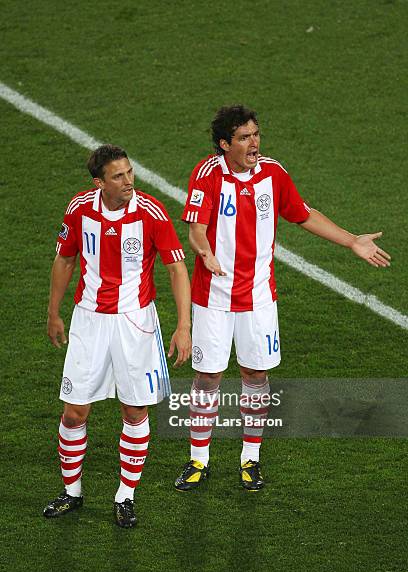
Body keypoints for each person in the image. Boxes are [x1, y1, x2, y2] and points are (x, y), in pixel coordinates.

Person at [175, 105, 391, 492]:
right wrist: (205, 253)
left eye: (255, 134)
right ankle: (198, 459)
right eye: (244, 137)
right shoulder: (207, 175)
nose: (254, 142)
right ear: (225, 145)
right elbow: (196, 228)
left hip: (259, 297)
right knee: (208, 377)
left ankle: (250, 459)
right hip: (214, 297)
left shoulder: (273, 174)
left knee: (256, 375)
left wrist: (351, 240)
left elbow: (302, 213)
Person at [44, 144, 191, 527]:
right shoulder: (79, 209)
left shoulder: (150, 212)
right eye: (119, 176)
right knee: (75, 411)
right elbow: (65, 258)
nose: (129, 181)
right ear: (100, 182)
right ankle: (71, 492)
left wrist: (183, 326)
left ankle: (125, 496)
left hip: (135, 324)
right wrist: (53, 312)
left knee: (134, 410)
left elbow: (176, 270)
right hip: (89, 322)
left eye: (129, 172)